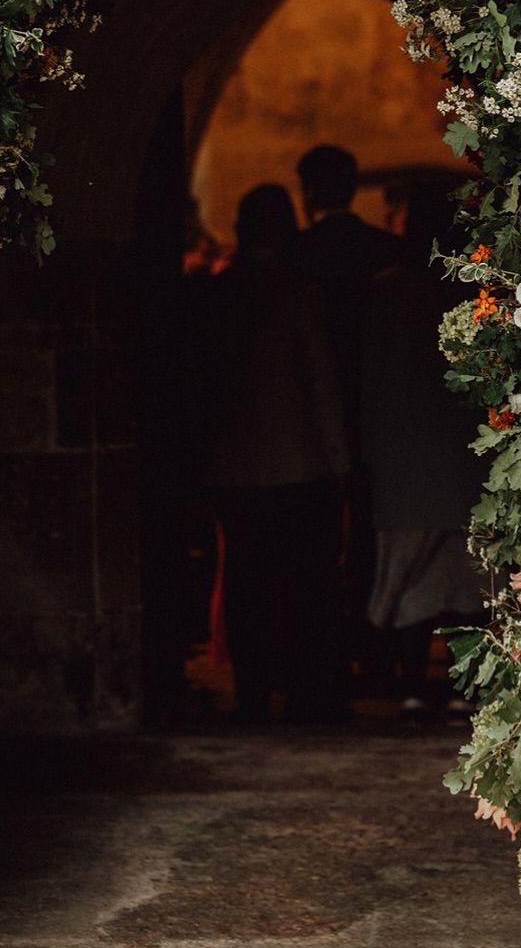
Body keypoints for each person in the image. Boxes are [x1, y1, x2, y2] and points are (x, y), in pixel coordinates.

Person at [190, 184, 350, 723]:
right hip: (298, 465)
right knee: (306, 583)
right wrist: (340, 460)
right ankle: (306, 693)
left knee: (246, 582)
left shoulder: (216, 293)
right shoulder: (300, 293)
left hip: (234, 467)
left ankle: (252, 690)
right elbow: (322, 384)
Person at [361, 182, 487, 715]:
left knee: (407, 573)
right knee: (465, 576)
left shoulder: (384, 294)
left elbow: (367, 379)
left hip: (401, 454)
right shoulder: (474, 294)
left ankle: (411, 684)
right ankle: (463, 687)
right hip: (462, 451)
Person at [289, 145, 401, 686]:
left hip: (307, 415)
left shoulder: (295, 255)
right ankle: (376, 650)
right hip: (381, 402)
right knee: (376, 534)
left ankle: (324, 658)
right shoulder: (386, 250)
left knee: (314, 543)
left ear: (308, 192)